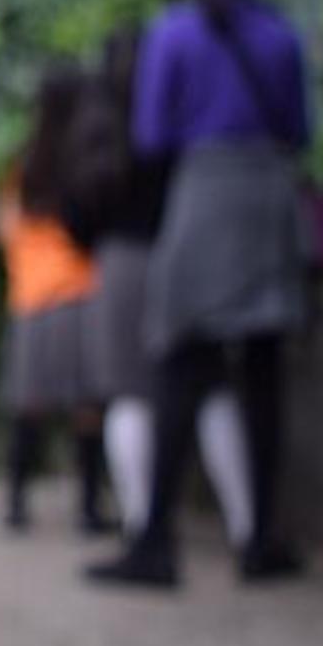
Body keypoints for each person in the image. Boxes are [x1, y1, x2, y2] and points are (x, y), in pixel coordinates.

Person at [89, 0, 310, 589]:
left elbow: (152, 134)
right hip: (271, 194)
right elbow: (300, 129)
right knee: (264, 370)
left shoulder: (174, 33)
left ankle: (155, 539)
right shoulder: (280, 33)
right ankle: (260, 537)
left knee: (178, 359)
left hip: (205, 193)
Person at [67, 29, 255, 548]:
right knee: (211, 383)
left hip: (124, 260)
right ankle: (246, 526)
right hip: (188, 252)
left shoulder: (100, 128)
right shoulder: (179, 120)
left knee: (129, 392)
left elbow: (78, 213)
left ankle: (143, 526)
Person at [0, 64, 108, 534]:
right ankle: (87, 511)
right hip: (80, 291)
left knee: (28, 404)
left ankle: (17, 504)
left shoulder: (22, 165)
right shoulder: (87, 162)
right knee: (86, 407)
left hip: (30, 296)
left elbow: (2, 230)